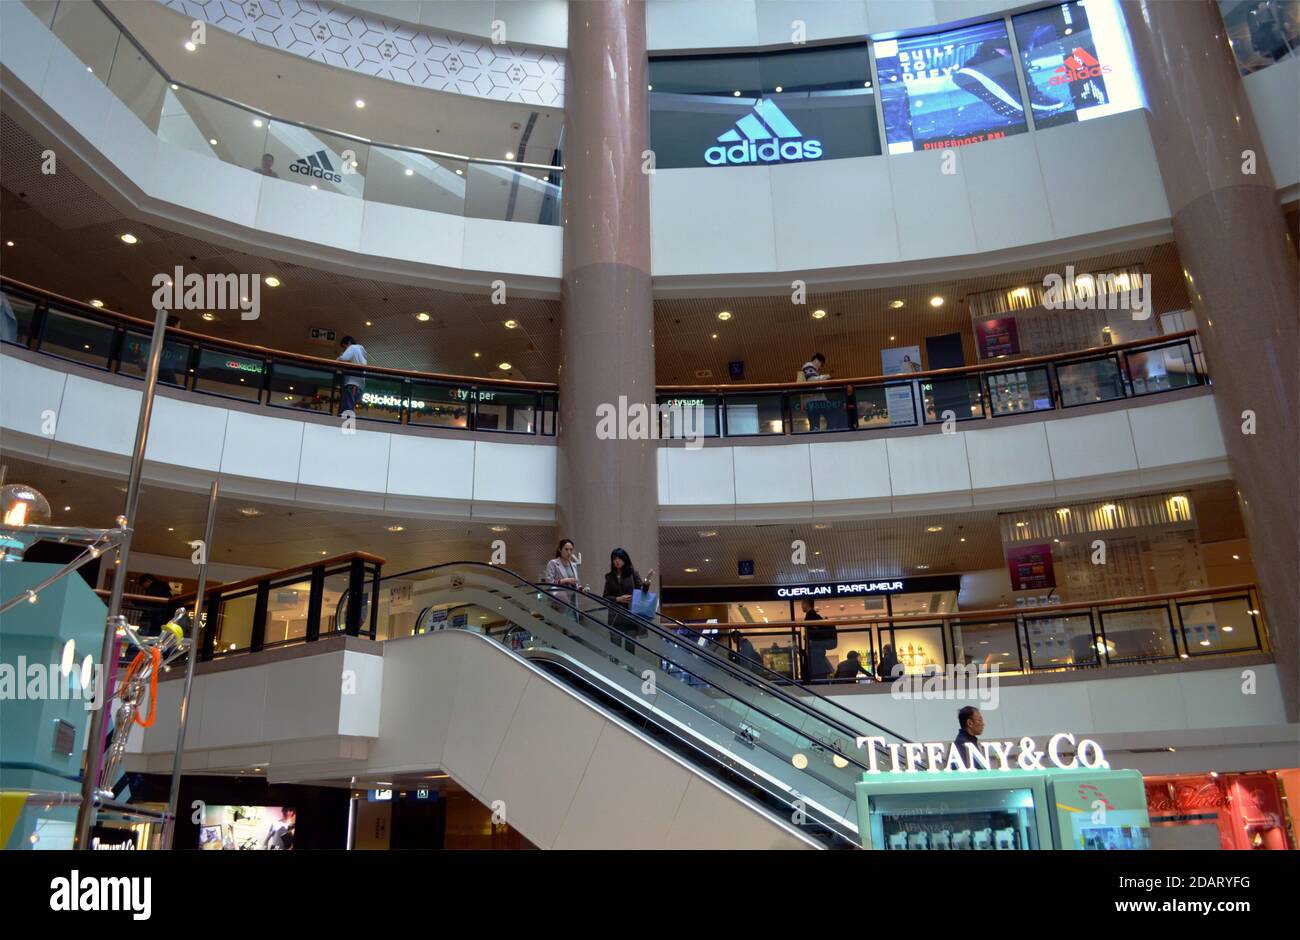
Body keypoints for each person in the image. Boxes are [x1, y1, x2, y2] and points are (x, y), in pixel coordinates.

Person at [602, 548, 654, 656]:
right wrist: (618, 599)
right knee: (615, 651)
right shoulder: (609, 577)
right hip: (615, 617)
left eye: (619, 558)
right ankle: (615, 671)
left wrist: (647, 580)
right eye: (614, 559)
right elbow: (605, 597)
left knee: (630, 650)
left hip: (631, 616)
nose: (617, 561)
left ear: (625, 560)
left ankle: (630, 671)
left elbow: (642, 592)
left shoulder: (632, 574)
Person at [542, 538, 582, 617]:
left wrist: (580, 587)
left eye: (571, 550)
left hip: (572, 601)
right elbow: (548, 583)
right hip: (558, 602)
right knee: (560, 626)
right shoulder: (553, 563)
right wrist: (565, 580)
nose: (569, 552)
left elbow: (575, 583)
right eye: (566, 549)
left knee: (573, 625)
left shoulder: (573, 565)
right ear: (560, 550)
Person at [336, 335, 367, 416]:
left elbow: (342, 359)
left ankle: (345, 426)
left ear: (348, 342)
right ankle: (345, 425)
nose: (344, 349)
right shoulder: (361, 352)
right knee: (350, 406)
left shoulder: (353, 347)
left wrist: (338, 358)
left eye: (344, 347)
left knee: (347, 408)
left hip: (351, 383)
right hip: (359, 384)